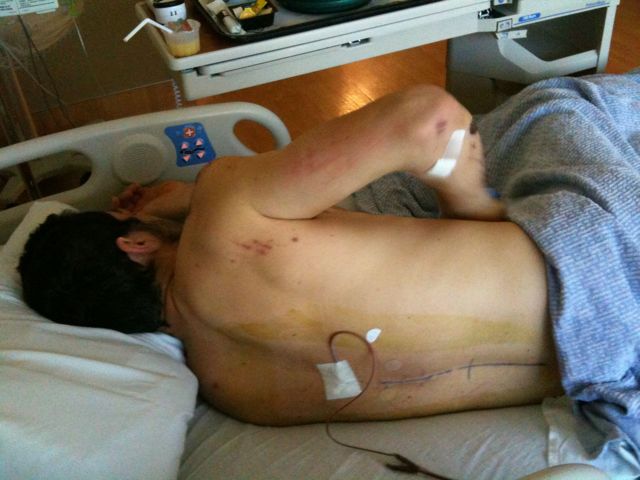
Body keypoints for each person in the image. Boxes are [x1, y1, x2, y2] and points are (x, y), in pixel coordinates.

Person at [17, 74, 639, 469]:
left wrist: (184, 209)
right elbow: (428, 119)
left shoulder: (232, 392)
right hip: (605, 259)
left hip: (609, 368)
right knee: (552, 105)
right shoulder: (223, 207)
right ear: (134, 244)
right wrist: (473, 208)